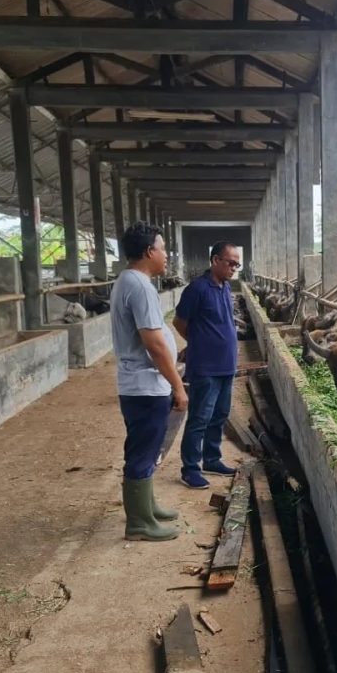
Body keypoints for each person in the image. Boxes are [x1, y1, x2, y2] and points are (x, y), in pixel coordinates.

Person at [110, 223, 188, 541]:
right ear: (148, 252)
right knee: (143, 450)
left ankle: (148, 506)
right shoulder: (139, 287)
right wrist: (178, 386)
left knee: (147, 446)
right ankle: (140, 523)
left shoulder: (130, 282)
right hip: (145, 385)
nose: (166, 254)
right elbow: (154, 344)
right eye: (162, 247)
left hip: (141, 384)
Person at [174, 241, 241, 488]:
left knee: (219, 415)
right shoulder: (197, 289)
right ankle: (190, 468)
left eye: (237, 263)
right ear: (215, 261)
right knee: (200, 417)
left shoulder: (224, 287)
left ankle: (212, 459)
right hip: (205, 367)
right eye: (230, 262)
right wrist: (199, 342)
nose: (234, 267)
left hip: (226, 366)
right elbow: (179, 322)